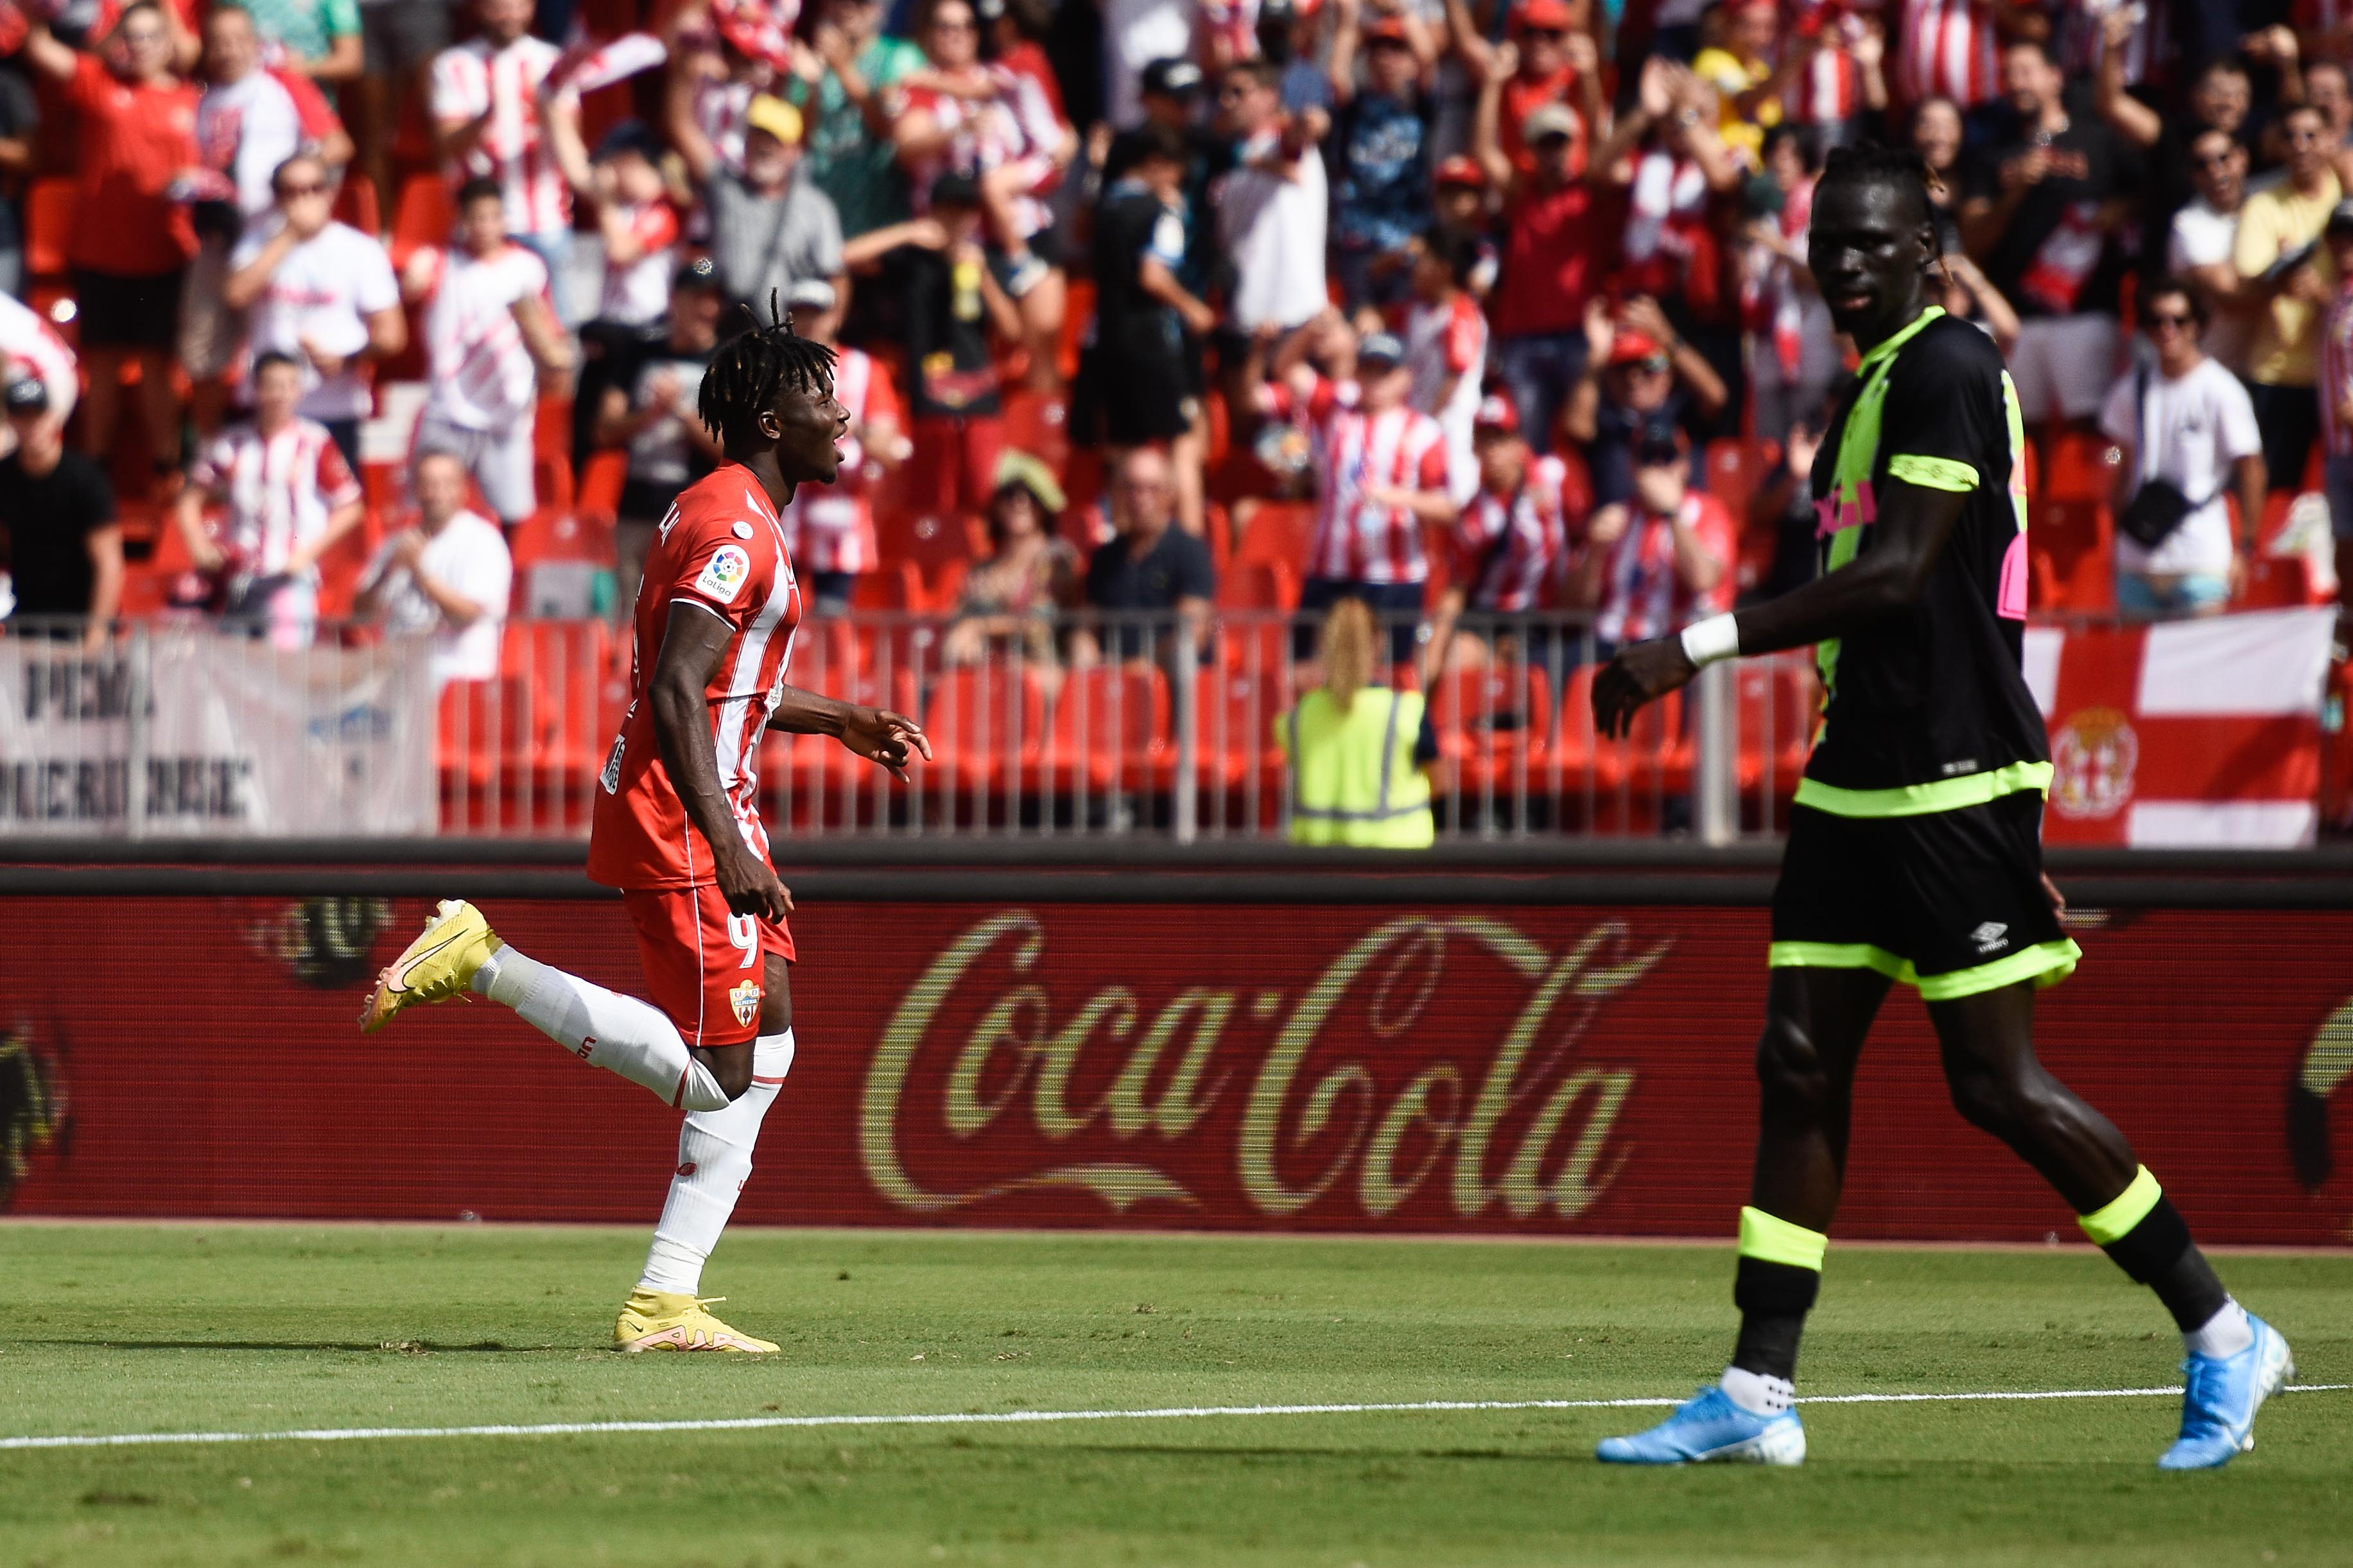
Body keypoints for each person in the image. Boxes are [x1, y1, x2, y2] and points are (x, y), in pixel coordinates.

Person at [1590, 144, 2288, 1472]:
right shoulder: (1862, 391)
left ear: (1924, 248)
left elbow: (1904, 574)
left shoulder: (1949, 367)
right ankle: (1754, 1389)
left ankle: (2219, 1331)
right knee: (1793, 1064)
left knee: (1995, 1085)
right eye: (1825, 242)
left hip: (1951, 773)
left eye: (1870, 240)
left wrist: (1689, 645)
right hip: (1857, 772)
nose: (1841, 261)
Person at [361, 307, 931, 1357]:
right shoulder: (733, 530)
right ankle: (484, 961)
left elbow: (718, 681)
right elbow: (674, 688)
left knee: (773, 1042)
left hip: (699, 791)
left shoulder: (729, 509)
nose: (842, 416)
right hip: (683, 808)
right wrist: (727, 846)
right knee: (725, 1070)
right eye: (821, 399)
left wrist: (839, 716)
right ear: (772, 415)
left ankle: (667, 1297)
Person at [21, 2, 202, 481]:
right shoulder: (99, 83)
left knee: (156, 371)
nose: (140, 46)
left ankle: (167, 471)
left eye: (151, 36)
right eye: (132, 36)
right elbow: (39, 46)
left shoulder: (193, 102)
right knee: (99, 370)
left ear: (169, 44)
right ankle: (96, 468)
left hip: (165, 256)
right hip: (100, 253)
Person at [1956, 38, 2133, 431]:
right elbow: (1973, 240)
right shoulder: (1992, 155)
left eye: (2026, 72)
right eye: (2008, 75)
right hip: (2015, 321)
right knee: (2017, 435)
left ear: (2055, 77)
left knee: (2091, 431)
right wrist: (2015, 190)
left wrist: (2120, 211)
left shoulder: (2098, 140)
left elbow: (2145, 193)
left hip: (2085, 315)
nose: (2016, 84)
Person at [1267, 325, 1450, 667]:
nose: (1375, 380)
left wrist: (1397, 498)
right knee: (1305, 667)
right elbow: (1285, 368)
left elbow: (1446, 506)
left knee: (1388, 675)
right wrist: (1312, 327)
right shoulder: (1337, 409)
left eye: (1384, 372)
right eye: (1368, 370)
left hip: (1393, 575)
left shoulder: (1424, 433)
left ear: (1404, 378)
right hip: (1329, 568)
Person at [403, 177, 574, 528]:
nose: (485, 227)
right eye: (476, 218)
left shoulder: (528, 268)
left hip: (506, 415)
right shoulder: (440, 264)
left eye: (493, 217)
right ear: (462, 221)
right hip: (449, 409)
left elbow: (552, 340)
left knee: (514, 516)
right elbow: (409, 287)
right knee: (428, 512)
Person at [223, 150, 406, 472]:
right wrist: (290, 236)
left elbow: (392, 335)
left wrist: (346, 359)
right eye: (292, 191)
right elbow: (236, 294)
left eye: (313, 189)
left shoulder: (360, 251)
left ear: (330, 192)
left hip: (334, 405)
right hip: (270, 405)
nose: (304, 199)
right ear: (277, 197)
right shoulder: (258, 243)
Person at [2098, 279, 2264, 621]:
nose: (2167, 329)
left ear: (2197, 325)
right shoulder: (2133, 386)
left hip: (2199, 557)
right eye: (2156, 321)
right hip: (2137, 557)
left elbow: (2250, 466)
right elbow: (2117, 452)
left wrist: (2246, 547)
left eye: (2179, 320)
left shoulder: (2220, 390)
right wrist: (2110, 464)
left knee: (2204, 670)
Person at [177, 350, 365, 647]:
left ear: (298, 391)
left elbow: (351, 506)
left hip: (289, 577)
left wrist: (306, 553)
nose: (279, 395)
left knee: (284, 666)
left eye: (287, 386)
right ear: (256, 389)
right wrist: (198, 545)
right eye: (271, 386)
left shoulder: (314, 442)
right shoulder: (232, 443)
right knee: (236, 671)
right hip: (238, 577)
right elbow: (190, 500)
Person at [1087, 120, 1215, 535]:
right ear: (1157, 165)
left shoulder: (1106, 209)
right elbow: (1153, 276)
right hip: (1152, 344)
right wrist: (1192, 308)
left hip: (1108, 343)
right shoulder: (1161, 214)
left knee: (1124, 448)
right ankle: (1191, 545)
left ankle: (1124, 540)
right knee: (1182, 443)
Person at [599, 257, 729, 619]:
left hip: (696, 511)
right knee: (630, 611)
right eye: (695, 297)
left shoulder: (726, 362)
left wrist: (681, 414)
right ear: (675, 300)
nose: (705, 308)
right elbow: (605, 428)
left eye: (712, 298)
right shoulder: (642, 354)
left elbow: (731, 447)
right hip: (637, 505)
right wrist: (649, 415)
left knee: (686, 613)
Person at [1423, 391, 1572, 683]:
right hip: (1488, 615)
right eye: (1485, 440)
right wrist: (1432, 655)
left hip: (1540, 615)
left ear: (1519, 444)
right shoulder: (1472, 516)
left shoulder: (1553, 482)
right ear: (1474, 447)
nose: (1493, 450)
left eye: (1501, 440)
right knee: (1457, 661)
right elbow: (1459, 585)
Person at [779, 277, 907, 615]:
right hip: (785, 515)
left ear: (835, 317)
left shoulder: (865, 371)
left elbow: (889, 450)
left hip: (841, 517)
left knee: (829, 624)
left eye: (816, 314)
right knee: (774, 619)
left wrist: (844, 423)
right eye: (800, 314)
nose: (808, 324)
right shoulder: (774, 370)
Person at [2234, 100, 2341, 495]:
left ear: (2332, 139)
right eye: (2291, 137)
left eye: (2311, 135)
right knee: (2277, 495)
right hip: (2277, 374)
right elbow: (2248, 282)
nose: (2301, 145)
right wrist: (2282, 280)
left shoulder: (2345, 199)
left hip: (2343, 380)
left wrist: (2323, 294)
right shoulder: (2262, 205)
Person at [430, 0, 579, 282]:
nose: (510, 16)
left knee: (557, 321)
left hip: (545, 222)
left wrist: (545, 111)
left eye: (518, 6)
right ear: (480, 9)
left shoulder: (552, 62)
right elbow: (446, 145)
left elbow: (572, 143)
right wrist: (488, 114)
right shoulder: (453, 65)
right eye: (499, 7)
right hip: (479, 229)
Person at [900, 171, 1016, 526]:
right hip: (930, 396)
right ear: (933, 212)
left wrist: (982, 276)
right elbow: (847, 256)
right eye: (948, 211)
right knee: (931, 501)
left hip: (977, 392)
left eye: (966, 211)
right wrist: (909, 232)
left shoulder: (985, 260)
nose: (957, 220)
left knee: (984, 493)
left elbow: (1014, 330)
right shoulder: (914, 260)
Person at [1275, 595, 1437, 848]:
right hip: (1397, 859)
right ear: (1379, 642)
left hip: (1318, 863)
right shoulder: (1406, 711)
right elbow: (1442, 780)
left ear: (1322, 643)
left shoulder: (1298, 717)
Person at [351, 448, 514, 689]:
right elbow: (360, 612)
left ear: (463, 490)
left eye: (446, 484)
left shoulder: (483, 542)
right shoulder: (396, 543)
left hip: (458, 681)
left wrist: (421, 573)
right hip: (397, 678)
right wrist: (387, 573)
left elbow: (467, 615)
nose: (436, 492)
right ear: (416, 489)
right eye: (428, 483)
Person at [677, 92, 846, 322]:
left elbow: (835, 276)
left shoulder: (815, 206)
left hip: (788, 337)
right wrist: (685, 72)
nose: (764, 146)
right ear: (745, 143)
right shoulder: (726, 189)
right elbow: (681, 126)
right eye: (757, 137)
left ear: (794, 151)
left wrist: (826, 332)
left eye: (775, 140)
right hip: (732, 330)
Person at [1570, 425, 1732, 658]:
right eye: (1647, 458)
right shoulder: (1615, 517)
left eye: (1667, 458)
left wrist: (1672, 514)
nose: (1657, 467)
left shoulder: (1707, 511)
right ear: (1632, 467)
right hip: (1609, 644)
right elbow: (1574, 607)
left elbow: (1703, 579)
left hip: (1675, 646)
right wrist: (1595, 551)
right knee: (1541, 666)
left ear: (1685, 466)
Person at [1213, 57, 1329, 341]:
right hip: (1244, 315)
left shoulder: (1281, 145)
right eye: (1224, 92)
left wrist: (1311, 121)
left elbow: (1298, 136)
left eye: (1239, 92)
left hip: (1293, 315)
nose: (1228, 101)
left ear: (1270, 96)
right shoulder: (1227, 157)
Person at [0, 377, 121, 647]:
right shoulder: (4, 478)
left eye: (37, 416)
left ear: (53, 418)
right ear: (11, 421)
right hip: (30, 621)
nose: (31, 425)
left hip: (81, 619)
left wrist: (95, 636)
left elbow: (109, 563)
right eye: (22, 417)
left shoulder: (85, 479)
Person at [1072, 445, 1214, 667]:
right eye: (1131, 488)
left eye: (1152, 489)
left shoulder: (1190, 552)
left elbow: (1192, 633)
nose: (1140, 498)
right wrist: (1085, 655)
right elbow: (1088, 627)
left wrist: (1142, 666)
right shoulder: (1104, 557)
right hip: (1109, 680)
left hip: (1169, 684)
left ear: (1169, 494)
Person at [941, 451, 1076, 672]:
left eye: (1030, 496)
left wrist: (979, 627)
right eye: (1010, 494)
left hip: (1038, 673)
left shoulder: (1056, 557)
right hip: (987, 673)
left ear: (1043, 504)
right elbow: (957, 622)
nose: (1020, 503)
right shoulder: (983, 568)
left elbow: (1041, 621)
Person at [1402, 227, 1487, 506]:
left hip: (1453, 425)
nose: (1414, 269)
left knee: (1455, 500)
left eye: (1422, 260)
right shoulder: (1417, 309)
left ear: (1444, 269)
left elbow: (1456, 375)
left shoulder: (1461, 313)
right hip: (1420, 420)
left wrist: (1427, 421)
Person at [2168, 128, 2253, 375]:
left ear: (2242, 158)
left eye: (2223, 158)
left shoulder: (2268, 202)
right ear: (2192, 175)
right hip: (2214, 367)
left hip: (2269, 365)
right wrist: (2285, 275)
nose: (2215, 171)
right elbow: (2230, 296)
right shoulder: (2188, 224)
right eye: (2202, 164)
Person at [2311, 202, 2353, 621]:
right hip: (2339, 448)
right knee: (2344, 552)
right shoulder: (2340, 297)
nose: (2345, 246)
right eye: (2338, 238)